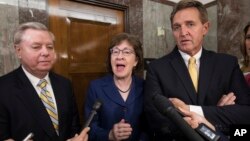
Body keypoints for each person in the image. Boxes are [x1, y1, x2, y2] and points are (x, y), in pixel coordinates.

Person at [144, 0, 250, 140]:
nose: (183, 32)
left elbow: (246, 114)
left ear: (205, 28)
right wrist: (219, 112)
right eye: (176, 27)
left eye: (190, 24)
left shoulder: (227, 64)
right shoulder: (156, 68)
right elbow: (155, 121)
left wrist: (193, 111)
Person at [0, 22, 89, 141]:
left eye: (50, 47)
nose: (46, 53)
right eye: (36, 47)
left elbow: (73, 126)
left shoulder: (64, 84)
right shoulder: (3, 88)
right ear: (18, 51)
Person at [84, 33, 144, 141]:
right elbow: (89, 127)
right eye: (115, 51)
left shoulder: (145, 87)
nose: (119, 56)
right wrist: (109, 135)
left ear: (136, 61)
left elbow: (149, 126)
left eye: (126, 52)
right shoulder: (96, 87)